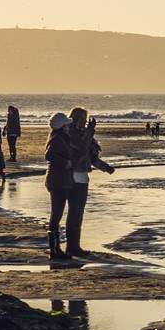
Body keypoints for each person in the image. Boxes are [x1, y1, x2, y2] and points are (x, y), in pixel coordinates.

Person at [45, 108, 115, 260]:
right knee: (69, 213)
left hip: (80, 177)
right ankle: (68, 248)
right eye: (83, 118)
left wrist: (105, 168)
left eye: (86, 119)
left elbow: (90, 155)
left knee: (76, 214)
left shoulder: (76, 133)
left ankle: (72, 246)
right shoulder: (68, 134)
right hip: (70, 178)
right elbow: (81, 147)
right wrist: (90, 130)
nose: (85, 121)